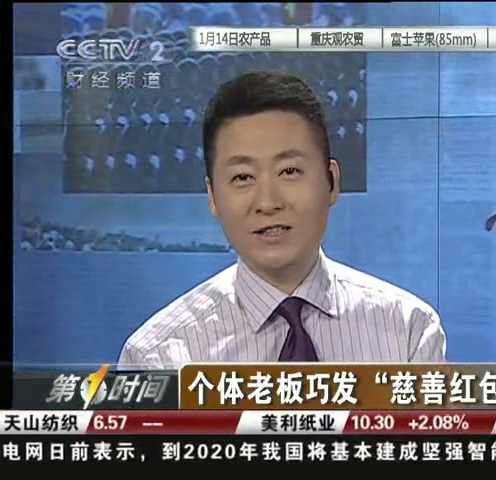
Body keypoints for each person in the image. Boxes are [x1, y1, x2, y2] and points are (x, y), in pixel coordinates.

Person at [117, 71, 446, 369]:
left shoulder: (408, 331)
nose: (268, 202)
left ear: (331, 182)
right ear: (213, 196)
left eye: (289, 171)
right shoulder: (159, 357)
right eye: (243, 177)